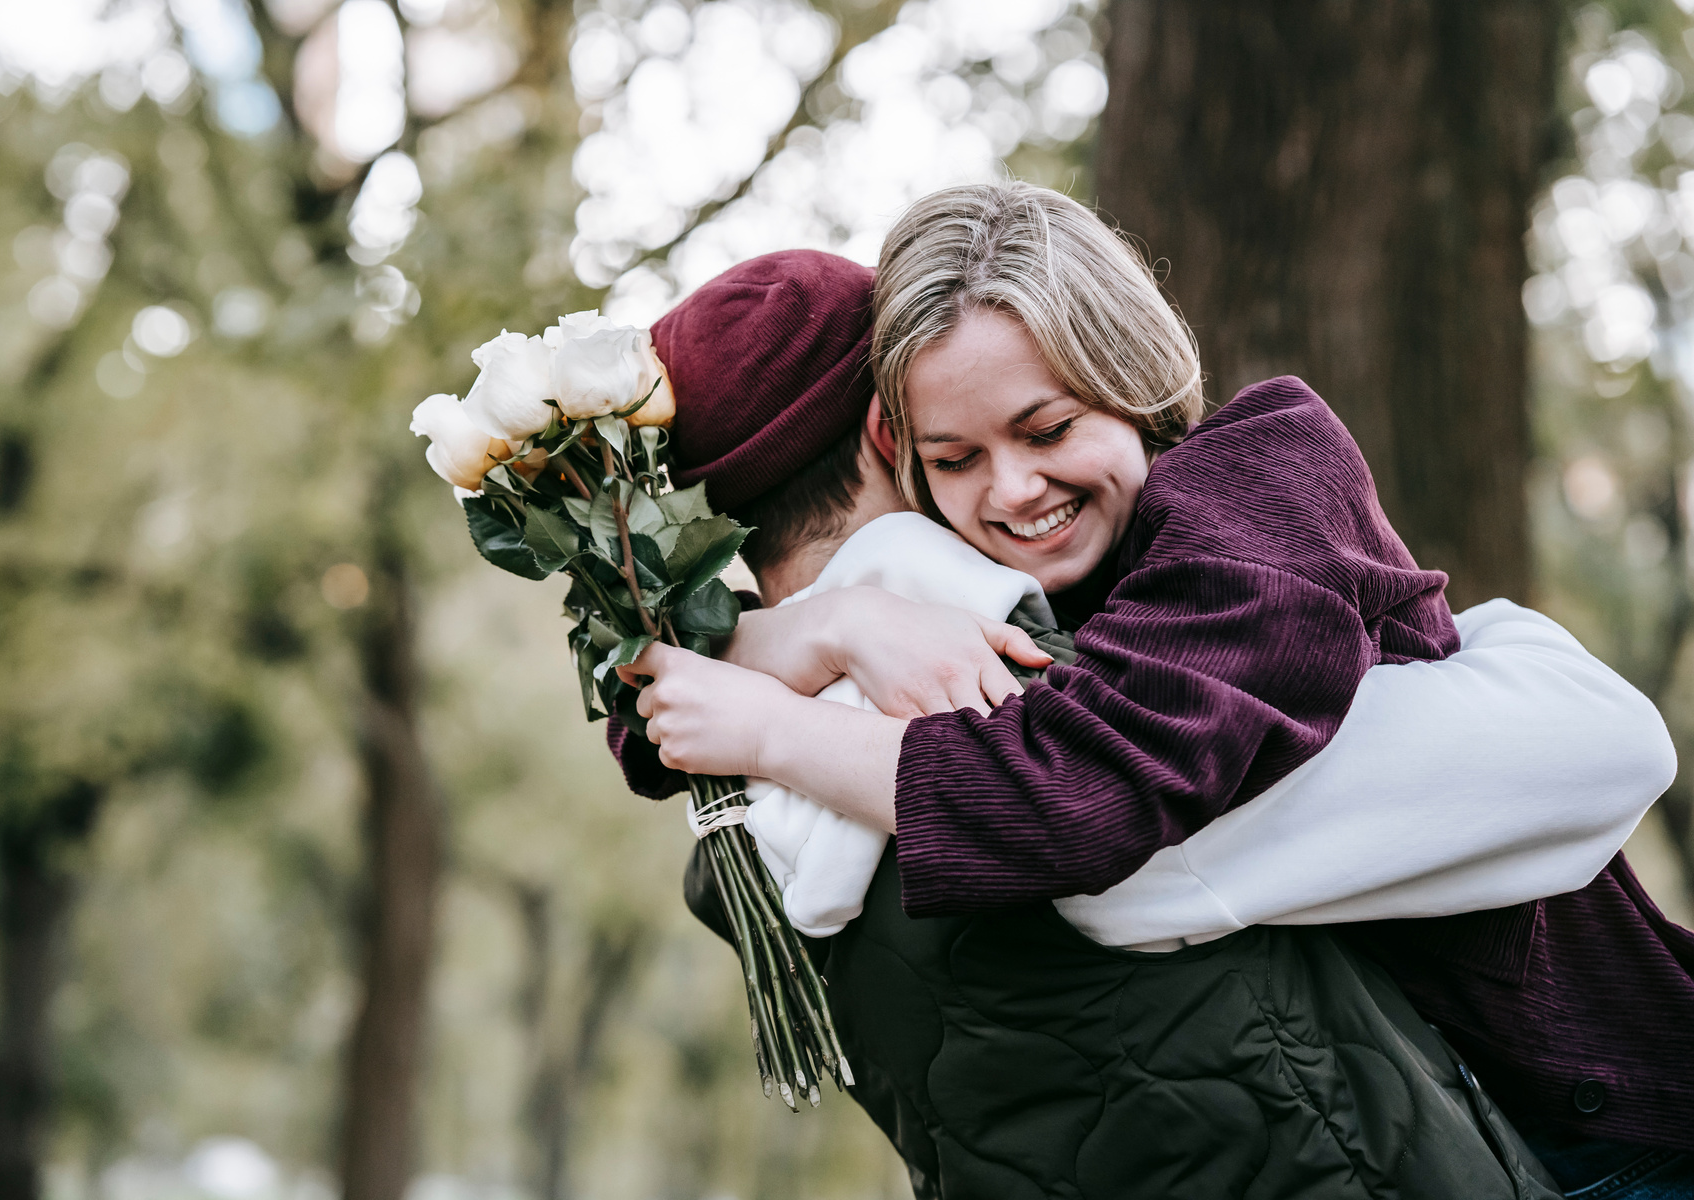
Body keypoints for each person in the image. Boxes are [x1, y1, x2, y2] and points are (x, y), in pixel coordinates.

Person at [619, 189, 1694, 1198]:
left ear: (1132, 376)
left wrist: (776, 721)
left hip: (1615, 1111)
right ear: (900, 450)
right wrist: (818, 625)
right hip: (1461, 1138)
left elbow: (1079, 795)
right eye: (957, 458)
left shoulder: (1258, 488)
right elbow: (641, 720)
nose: (1013, 490)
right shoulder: (1000, 597)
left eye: (1049, 431)